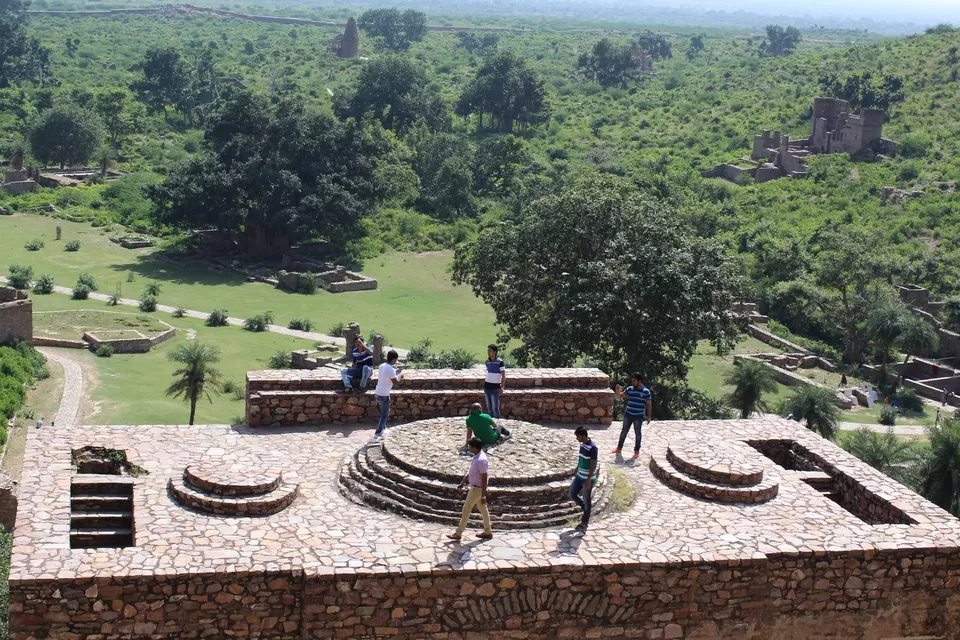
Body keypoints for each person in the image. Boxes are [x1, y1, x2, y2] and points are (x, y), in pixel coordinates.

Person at [447, 437, 493, 541]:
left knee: (466, 508)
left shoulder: (481, 460)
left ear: (475, 447)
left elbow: (484, 477)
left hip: (477, 489)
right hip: (475, 487)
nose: (469, 448)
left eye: (470, 446)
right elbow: (472, 471)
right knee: (483, 509)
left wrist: (483, 495)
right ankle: (488, 531)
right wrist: (463, 481)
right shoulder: (476, 456)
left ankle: (458, 533)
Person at [613, 374, 652, 457]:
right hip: (628, 414)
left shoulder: (646, 392)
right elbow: (620, 396)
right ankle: (619, 448)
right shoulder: (630, 389)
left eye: (634, 381)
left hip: (638, 416)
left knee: (637, 433)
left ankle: (636, 451)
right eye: (632, 381)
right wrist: (617, 390)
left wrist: (649, 416)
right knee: (624, 431)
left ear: (639, 381)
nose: (633, 382)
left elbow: (649, 404)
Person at [570, 427, 598, 534]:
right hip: (579, 475)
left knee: (587, 499)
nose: (577, 439)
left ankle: (585, 521)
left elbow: (593, 465)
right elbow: (581, 458)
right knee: (572, 493)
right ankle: (585, 509)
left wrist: (588, 479)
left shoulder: (593, 448)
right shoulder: (582, 445)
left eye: (578, 436)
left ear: (583, 436)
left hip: (587, 478)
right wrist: (577, 468)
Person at [374, 350, 403, 438]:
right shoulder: (390, 369)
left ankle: (383, 428)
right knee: (384, 415)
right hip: (384, 395)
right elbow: (396, 382)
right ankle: (378, 433)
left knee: (383, 413)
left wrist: (396, 372)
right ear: (394, 359)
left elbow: (389, 373)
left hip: (378, 393)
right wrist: (401, 375)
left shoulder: (382, 366)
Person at [483, 344, 506, 419]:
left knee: (495, 407)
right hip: (487, 387)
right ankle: (490, 424)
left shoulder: (500, 362)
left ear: (495, 352)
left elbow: (503, 375)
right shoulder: (487, 362)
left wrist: (502, 387)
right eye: (488, 351)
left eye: (490, 351)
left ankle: (496, 425)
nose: (488, 352)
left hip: (495, 388)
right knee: (489, 407)